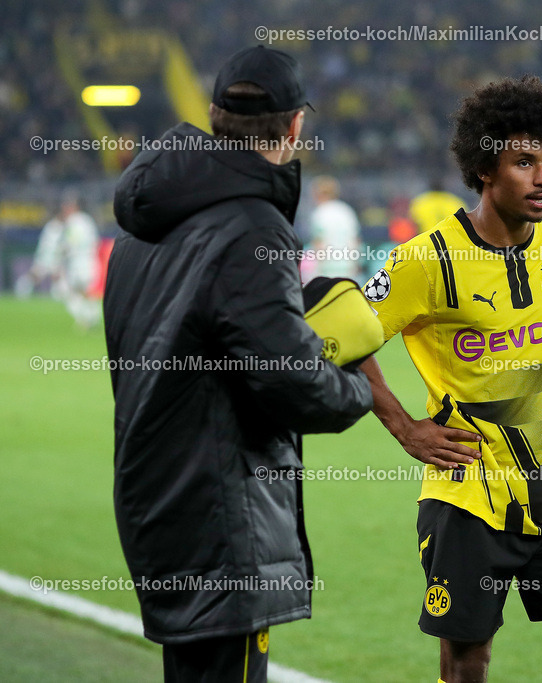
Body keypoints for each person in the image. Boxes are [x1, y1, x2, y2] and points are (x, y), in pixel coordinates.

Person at [103, 46, 373, 683]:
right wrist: (354, 380)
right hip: (221, 514)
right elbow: (294, 384)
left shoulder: (139, 231)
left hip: (157, 493)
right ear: (294, 127)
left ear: (217, 117)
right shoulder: (253, 226)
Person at [360, 75, 542, 683]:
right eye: (524, 161)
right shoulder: (426, 260)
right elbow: (344, 343)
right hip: (469, 495)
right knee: (467, 660)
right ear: (484, 168)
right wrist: (405, 429)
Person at [20, 193, 101, 329]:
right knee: (80, 292)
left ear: (74, 207)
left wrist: (59, 256)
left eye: (68, 205)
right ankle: (90, 317)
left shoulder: (74, 221)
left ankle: (89, 317)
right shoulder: (86, 220)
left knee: (73, 292)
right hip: (88, 261)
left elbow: (69, 244)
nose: (65, 208)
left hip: (80, 263)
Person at [306, 175, 363, 279]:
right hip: (347, 269)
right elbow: (355, 241)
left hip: (327, 270)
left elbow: (319, 244)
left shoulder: (320, 213)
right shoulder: (347, 211)